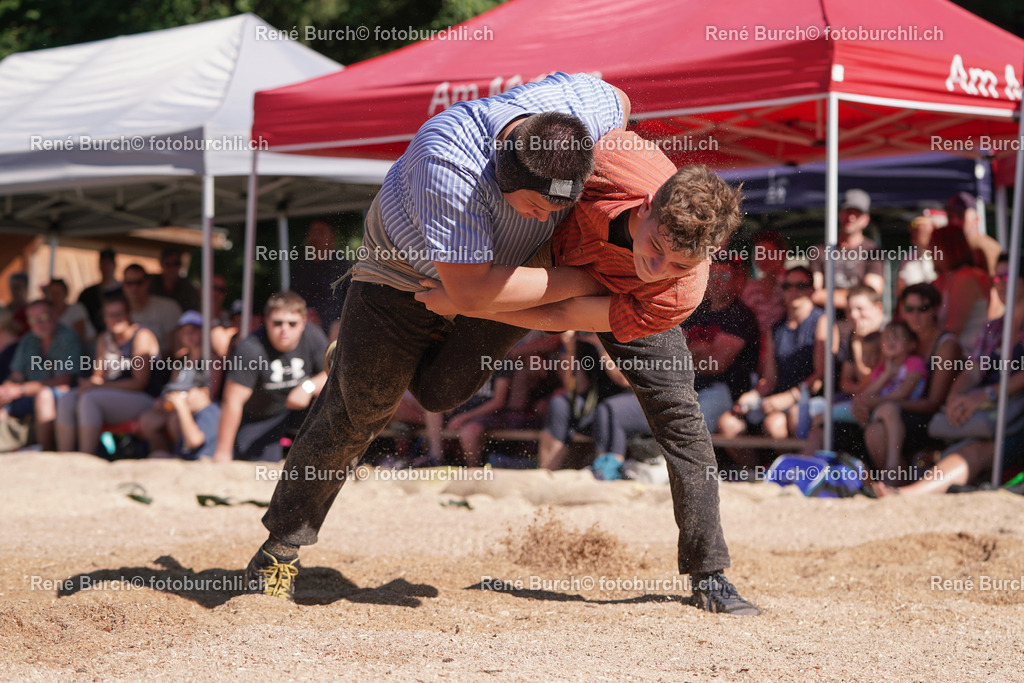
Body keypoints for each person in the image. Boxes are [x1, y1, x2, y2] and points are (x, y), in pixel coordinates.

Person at [244, 72, 628, 602]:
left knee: (442, 395)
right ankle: (279, 548)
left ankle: (359, 358)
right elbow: (470, 294)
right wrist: (586, 278)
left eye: (559, 205)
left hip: (499, 276)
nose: (550, 215)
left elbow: (621, 101)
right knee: (360, 412)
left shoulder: (577, 111)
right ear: (501, 172)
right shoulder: (449, 161)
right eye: (538, 207)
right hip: (400, 276)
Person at [416, 129, 758, 614]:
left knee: (684, 427)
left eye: (679, 263)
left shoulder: (676, 290)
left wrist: (474, 302)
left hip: (617, 306)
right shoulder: (616, 158)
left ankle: (710, 574)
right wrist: (469, 292)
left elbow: (563, 317)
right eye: (656, 246)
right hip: (548, 255)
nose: (657, 267)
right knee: (438, 391)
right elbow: (554, 133)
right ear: (644, 209)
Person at [720, 267, 833, 451]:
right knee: (728, 422)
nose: (794, 291)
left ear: (811, 290)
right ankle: (756, 473)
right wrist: (752, 396)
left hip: (813, 399)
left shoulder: (822, 322)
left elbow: (820, 376)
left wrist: (789, 397)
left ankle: (800, 470)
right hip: (779, 400)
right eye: (788, 286)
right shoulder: (776, 329)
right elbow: (769, 379)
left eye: (801, 285)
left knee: (786, 419)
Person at [212, 292, 328, 463]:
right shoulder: (250, 348)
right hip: (262, 416)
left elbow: (334, 374)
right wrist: (222, 453)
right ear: (266, 321)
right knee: (255, 460)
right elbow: (233, 401)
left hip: (301, 411)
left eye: (292, 323)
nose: (284, 329)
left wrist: (308, 387)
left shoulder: (313, 336)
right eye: (277, 323)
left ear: (304, 322)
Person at [863, 284, 962, 478]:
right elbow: (876, 379)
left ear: (936, 309)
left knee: (877, 430)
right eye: (909, 309)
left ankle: (897, 482)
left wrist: (885, 403)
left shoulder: (946, 346)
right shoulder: (900, 340)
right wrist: (865, 402)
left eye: (923, 309)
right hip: (897, 412)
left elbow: (934, 403)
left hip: (932, 418)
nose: (916, 315)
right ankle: (896, 484)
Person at [55, 291, 162, 455]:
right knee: (68, 398)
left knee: (90, 399)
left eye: (119, 314)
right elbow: (99, 375)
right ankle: (66, 457)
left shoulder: (141, 336)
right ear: (103, 317)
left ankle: (85, 456)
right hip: (110, 394)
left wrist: (98, 387)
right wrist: (90, 384)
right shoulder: (104, 338)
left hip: (144, 399)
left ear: (128, 314)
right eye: (110, 315)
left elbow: (139, 383)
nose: (115, 319)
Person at [682, 255, 760, 433]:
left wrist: (687, 353)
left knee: (690, 429)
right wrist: (702, 348)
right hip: (691, 385)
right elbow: (672, 350)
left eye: (723, 277)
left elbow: (715, 364)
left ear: (735, 280)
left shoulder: (740, 315)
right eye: (711, 276)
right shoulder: (696, 310)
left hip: (725, 390)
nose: (716, 281)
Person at [536, 331, 632, 471]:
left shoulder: (620, 334)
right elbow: (574, 387)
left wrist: (601, 346)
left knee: (607, 409)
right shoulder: (581, 339)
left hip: (628, 402)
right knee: (560, 404)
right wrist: (570, 349)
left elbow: (624, 380)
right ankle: (545, 472)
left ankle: (605, 472)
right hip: (594, 403)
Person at [0, 299, 83, 450]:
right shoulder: (28, 340)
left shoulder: (68, 339)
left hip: (66, 397)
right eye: (33, 320)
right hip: (28, 396)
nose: (38, 323)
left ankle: (46, 452)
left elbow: (64, 381)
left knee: (44, 396)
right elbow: (16, 376)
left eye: (43, 318)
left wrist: (21, 389)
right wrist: (6, 390)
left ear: (55, 315)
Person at [138, 311, 221, 459]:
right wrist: (165, 401)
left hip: (197, 409)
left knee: (174, 422)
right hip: (176, 404)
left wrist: (183, 403)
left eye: (193, 331)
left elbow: (209, 394)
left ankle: (186, 455)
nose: (188, 336)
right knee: (148, 420)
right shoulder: (180, 360)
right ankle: (169, 453)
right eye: (184, 332)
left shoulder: (212, 359)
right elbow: (172, 386)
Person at [850, 321, 928, 474]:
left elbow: (902, 393)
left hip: (907, 412)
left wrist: (873, 402)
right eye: (887, 338)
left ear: (912, 344)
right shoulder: (882, 368)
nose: (891, 342)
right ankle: (890, 475)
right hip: (881, 411)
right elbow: (865, 394)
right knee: (873, 430)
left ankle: (893, 467)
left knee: (887, 411)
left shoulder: (914, 363)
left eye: (897, 338)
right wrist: (886, 375)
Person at [808, 189, 884, 312]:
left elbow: (871, 296)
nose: (851, 217)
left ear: (866, 219)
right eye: (848, 211)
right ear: (839, 213)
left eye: (857, 213)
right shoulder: (819, 250)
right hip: (826, 324)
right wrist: (856, 298)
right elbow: (814, 294)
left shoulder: (873, 251)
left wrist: (826, 295)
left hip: (860, 325)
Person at [929, 226, 990, 351]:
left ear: (949, 247)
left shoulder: (965, 277)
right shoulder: (942, 279)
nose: (930, 251)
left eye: (934, 245)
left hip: (964, 356)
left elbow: (953, 329)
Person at [290, 221, 352, 333]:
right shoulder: (301, 267)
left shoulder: (343, 267)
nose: (316, 237)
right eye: (313, 232)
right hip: (303, 329)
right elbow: (292, 299)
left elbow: (352, 301)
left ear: (333, 237)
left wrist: (339, 323)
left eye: (321, 232)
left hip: (336, 331)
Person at [122, 264, 182, 354]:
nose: (134, 287)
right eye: (129, 283)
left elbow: (175, 349)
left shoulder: (168, 308)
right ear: (123, 286)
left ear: (147, 283)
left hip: (161, 365)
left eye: (139, 282)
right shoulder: (117, 312)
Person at [946, 192, 1000, 276]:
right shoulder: (953, 246)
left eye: (961, 216)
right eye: (950, 216)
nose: (954, 221)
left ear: (977, 219)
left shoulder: (986, 248)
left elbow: (993, 285)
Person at [895, 208, 943, 299]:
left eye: (915, 223)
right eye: (909, 224)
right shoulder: (911, 256)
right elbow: (900, 295)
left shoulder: (948, 258)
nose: (910, 228)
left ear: (936, 226)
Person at [78, 248, 121, 334]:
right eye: (103, 263)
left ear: (114, 265)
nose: (106, 267)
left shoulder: (125, 291)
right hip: (93, 340)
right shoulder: (88, 293)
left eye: (108, 263)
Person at [45, 278, 96, 348]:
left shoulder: (76, 309)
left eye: (58, 293)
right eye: (52, 293)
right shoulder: (45, 313)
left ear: (65, 294)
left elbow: (79, 336)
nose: (55, 296)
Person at [149, 247, 200, 312]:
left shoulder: (187, 287)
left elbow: (193, 311)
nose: (172, 268)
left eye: (176, 264)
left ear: (181, 265)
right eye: (168, 264)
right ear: (161, 264)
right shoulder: (150, 283)